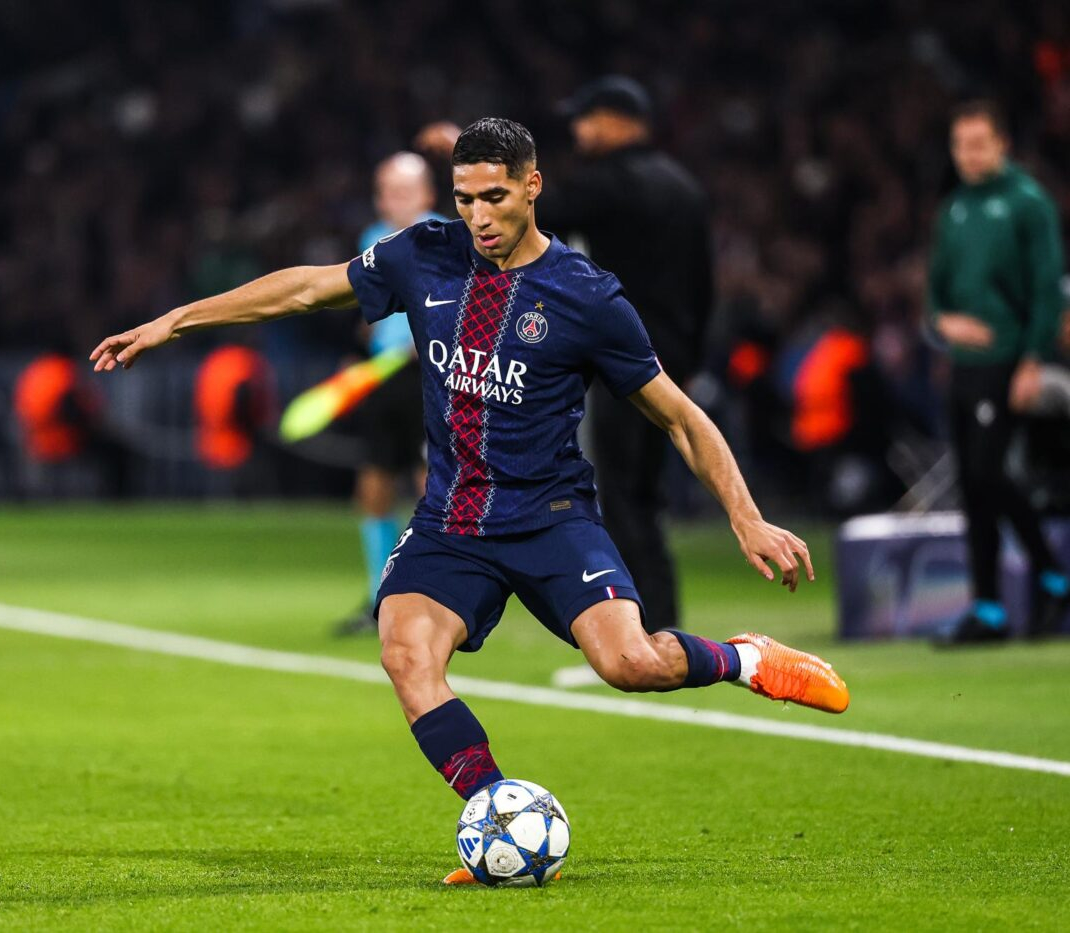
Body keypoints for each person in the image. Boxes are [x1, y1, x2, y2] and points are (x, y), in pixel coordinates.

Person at [91, 118, 848, 883]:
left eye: (494, 197)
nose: (478, 217)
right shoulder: (424, 253)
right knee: (405, 653)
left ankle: (745, 657)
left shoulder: (586, 296)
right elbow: (307, 288)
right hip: (451, 521)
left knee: (630, 663)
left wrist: (745, 516)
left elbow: (680, 417)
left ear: (532, 186)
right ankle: (498, 818)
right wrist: (177, 320)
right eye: (464, 199)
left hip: (551, 518)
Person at [549, 76, 713, 633]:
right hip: (673, 362)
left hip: (624, 362)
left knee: (621, 497)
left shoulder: (606, 183)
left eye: (585, 118)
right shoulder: (684, 187)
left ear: (615, 121)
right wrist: (688, 361)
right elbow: (704, 287)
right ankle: (664, 626)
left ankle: (645, 632)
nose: (578, 130)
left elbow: (531, 215)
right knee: (645, 495)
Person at [926, 99, 1070, 643]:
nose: (968, 154)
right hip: (965, 365)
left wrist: (1032, 360)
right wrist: (945, 323)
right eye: (960, 144)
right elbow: (935, 294)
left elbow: (1048, 287)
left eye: (978, 144)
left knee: (989, 474)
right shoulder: (954, 209)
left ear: (1002, 144)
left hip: (1008, 360)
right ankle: (988, 608)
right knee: (972, 485)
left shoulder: (1028, 204)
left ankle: (1052, 573)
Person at [336, 152, 439, 636]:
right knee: (373, 485)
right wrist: (359, 355)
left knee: (431, 484)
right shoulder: (371, 240)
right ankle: (381, 595)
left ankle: (434, 592)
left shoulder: (447, 237)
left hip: (431, 375)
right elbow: (370, 311)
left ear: (427, 194)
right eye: (387, 192)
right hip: (384, 378)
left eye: (404, 191)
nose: (394, 200)